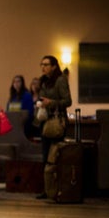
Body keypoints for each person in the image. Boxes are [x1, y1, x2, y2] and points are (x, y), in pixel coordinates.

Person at [35, 55, 71, 199]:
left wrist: (51, 102)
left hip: (57, 122)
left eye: (46, 64)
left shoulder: (60, 80)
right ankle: (48, 189)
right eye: (41, 64)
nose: (43, 67)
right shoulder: (43, 81)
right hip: (45, 121)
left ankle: (59, 188)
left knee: (55, 156)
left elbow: (67, 101)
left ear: (54, 66)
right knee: (45, 157)